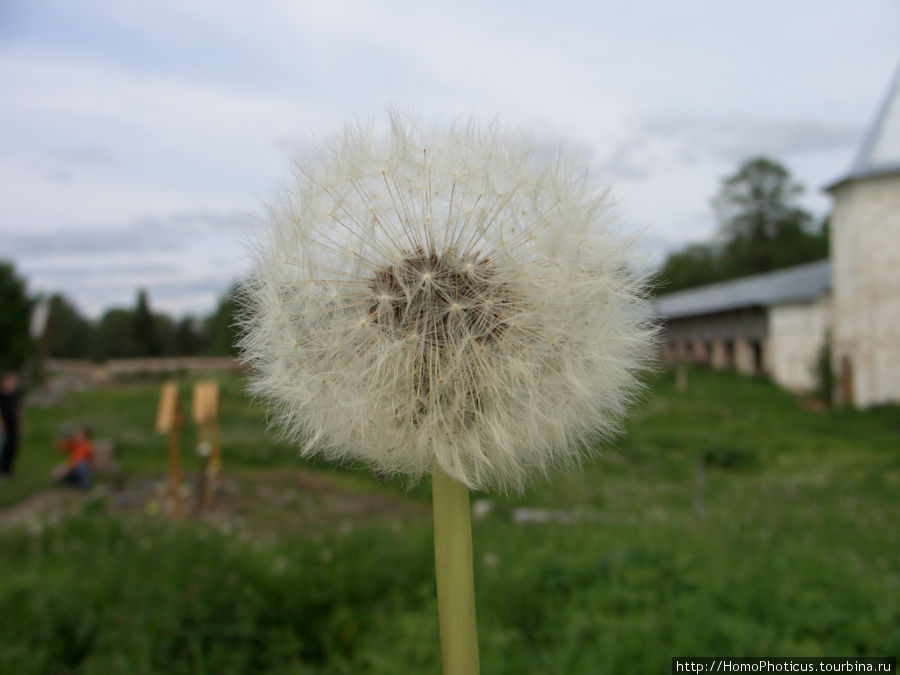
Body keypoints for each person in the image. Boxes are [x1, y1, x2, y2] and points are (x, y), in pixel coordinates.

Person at [53, 424, 94, 490]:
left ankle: (85, 485)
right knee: (56, 475)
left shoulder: (87, 445)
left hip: (83, 470)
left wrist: (66, 470)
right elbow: (61, 448)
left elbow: (79, 460)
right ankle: (76, 484)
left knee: (82, 465)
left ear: (85, 435)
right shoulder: (75, 444)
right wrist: (67, 438)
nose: (76, 435)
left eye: (79, 433)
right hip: (74, 469)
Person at [0, 370, 24, 478]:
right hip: (4, 421)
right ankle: (3, 468)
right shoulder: (2, 392)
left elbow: (18, 409)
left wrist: (21, 422)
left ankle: (8, 469)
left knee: (13, 445)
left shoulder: (16, 393)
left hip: (13, 421)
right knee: (4, 444)